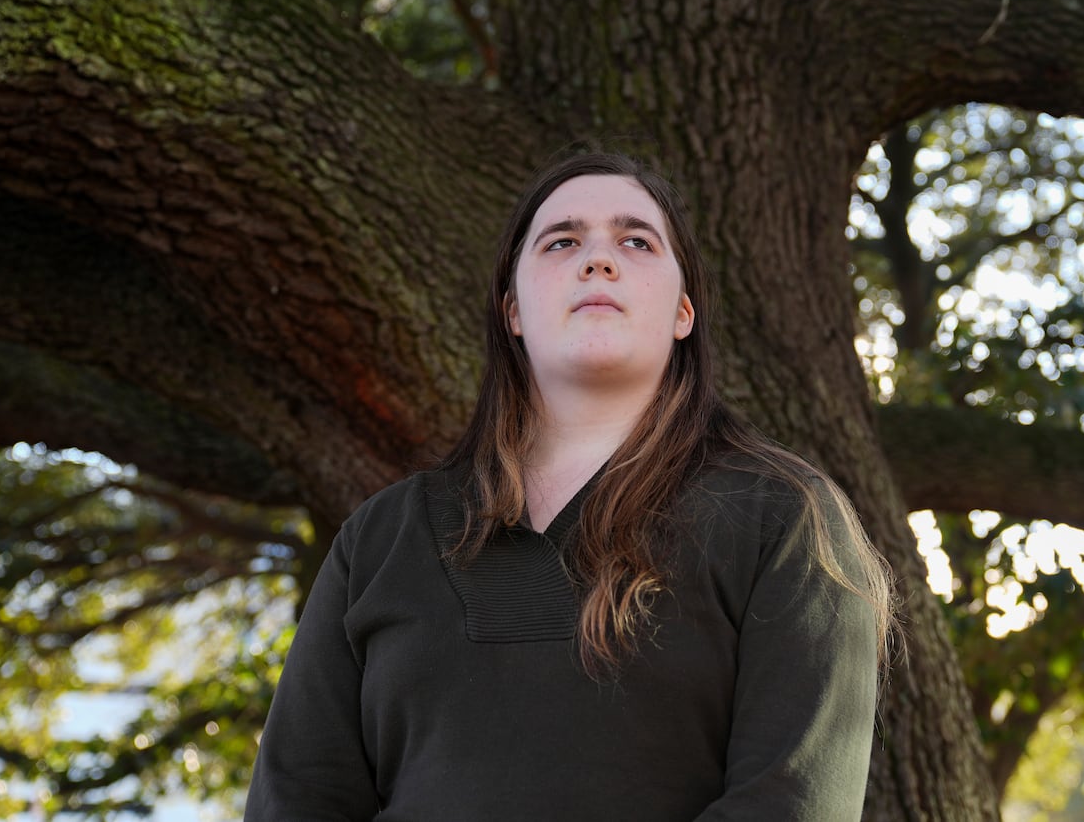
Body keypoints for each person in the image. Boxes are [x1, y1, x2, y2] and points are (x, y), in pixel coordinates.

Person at [244, 151, 895, 821]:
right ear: (513, 311)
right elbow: (296, 798)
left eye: (636, 240)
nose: (599, 259)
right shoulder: (381, 538)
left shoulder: (783, 520)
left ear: (683, 313)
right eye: (562, 241)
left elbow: (789, 804)